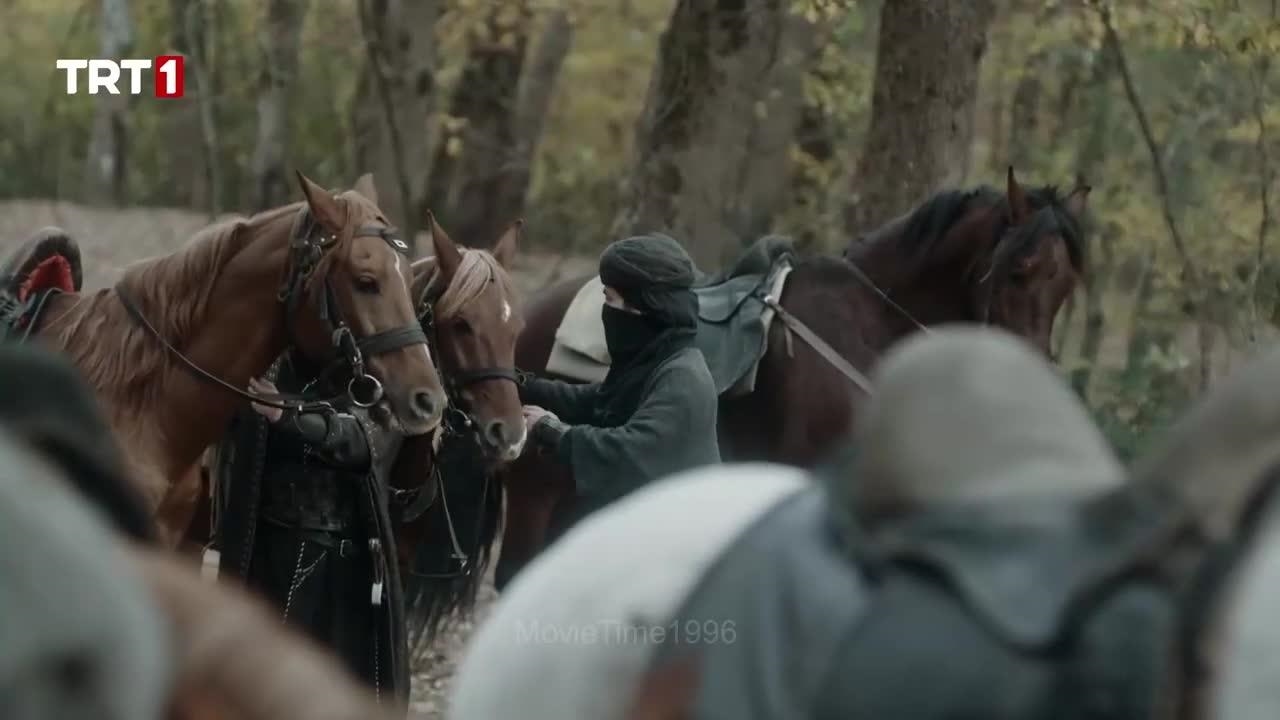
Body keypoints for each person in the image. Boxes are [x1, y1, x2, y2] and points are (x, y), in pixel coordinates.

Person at [212, 351, 409, 711]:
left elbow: (363, 440)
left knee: (339, 683)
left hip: (345, 564)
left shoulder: (372, 372)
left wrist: (287, 415)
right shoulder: (269, 365)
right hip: (268, 551)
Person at [520, 233, 721, 528]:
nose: (606, 310)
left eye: (609, 299)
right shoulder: (656, 359)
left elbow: (629, 454)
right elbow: (602, 400)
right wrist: (525, 386)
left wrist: (552, 430)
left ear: (639, 307)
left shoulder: (682, 377)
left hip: (679, 533)